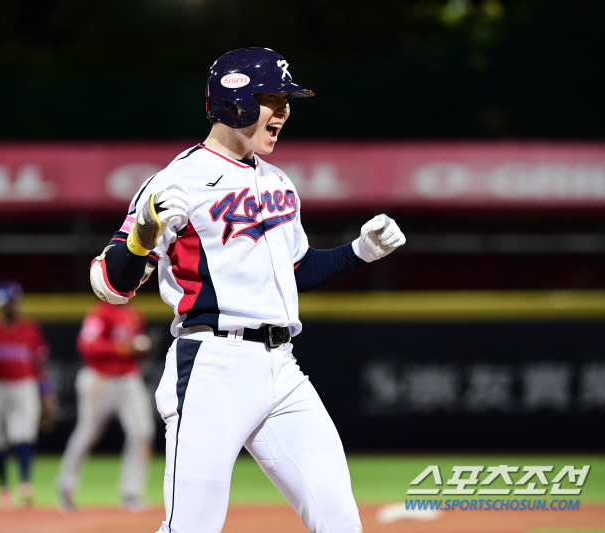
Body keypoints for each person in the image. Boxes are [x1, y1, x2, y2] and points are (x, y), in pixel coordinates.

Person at [89, 47, 406, 533]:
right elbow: (109, 284)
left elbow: (297, 270)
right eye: (273, 98)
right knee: (191, 529)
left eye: (286, 100)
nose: (284, 111)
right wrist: (142, 235)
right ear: (235, 99)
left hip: (282, 368)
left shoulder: (278, 181)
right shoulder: (178, 180)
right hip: (212, 366)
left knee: (340, 519)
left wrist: (360, 251)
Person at [56, 300, 155, 512]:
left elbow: (133, 349)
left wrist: (139, 349)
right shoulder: (101, 313)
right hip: (99, 378)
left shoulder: (136, 314)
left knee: (142, 433)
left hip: (128, 380)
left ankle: (131, 492)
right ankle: (66, 486)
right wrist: (121, 347)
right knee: (87, 434)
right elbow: (86, 344)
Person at [0, 280, 56, 508]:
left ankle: (25, 485)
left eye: (14, 302)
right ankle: (3, 489)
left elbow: (40, 363)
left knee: (24, 434)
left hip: (24, 386)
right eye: (7, 303)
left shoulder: (29, 327)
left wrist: (46, 393)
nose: (11, 306)